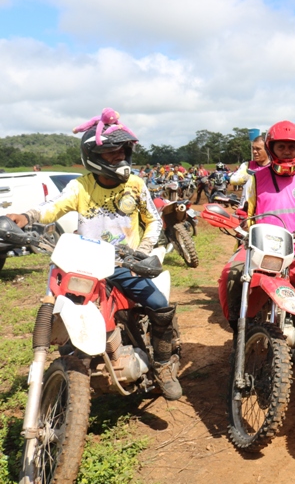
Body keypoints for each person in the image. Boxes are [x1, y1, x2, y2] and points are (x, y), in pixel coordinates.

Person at [7, 111, 182, 400]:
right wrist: (27, 216)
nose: (118, 158)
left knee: (160, 306)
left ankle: (163, 366)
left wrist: (141, 253)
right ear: (94, 156)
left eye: (121, 152)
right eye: (111, 153)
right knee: (62, 306)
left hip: (124, 264)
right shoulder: (81, 186)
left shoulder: (135, 185)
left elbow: (152, 220)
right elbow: (54, 207)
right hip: (86, 263)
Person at [219, 121, 295, 399]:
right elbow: (247, 211)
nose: (285, 151)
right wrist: (239, 225)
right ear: (271, 147)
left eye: (291, 146)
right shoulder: (256, 178)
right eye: (280, 146)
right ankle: (240, 333)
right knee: (231, 275)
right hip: (262, 251)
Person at [229, 134, 269, 209]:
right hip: (245, 209)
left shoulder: (273, 167)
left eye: (258, 149)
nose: (254, 152)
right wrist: (251, 177)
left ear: (267, 149)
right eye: (253, 148)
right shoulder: (247, 165)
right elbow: (233, 180)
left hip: (265, 209)